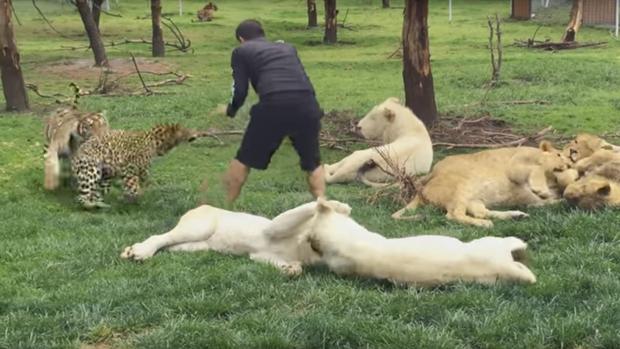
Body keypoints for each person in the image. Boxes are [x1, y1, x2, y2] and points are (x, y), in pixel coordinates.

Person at [220, 19, 326, 204]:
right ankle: (324, 207)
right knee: (313, 163)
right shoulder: (288, 48)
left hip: (273, 105)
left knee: (243, 160)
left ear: (241, 39)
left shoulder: (241, 51)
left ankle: (222, 210)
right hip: (307, 104)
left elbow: (240, 91)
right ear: (262, 35)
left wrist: (230, 110)